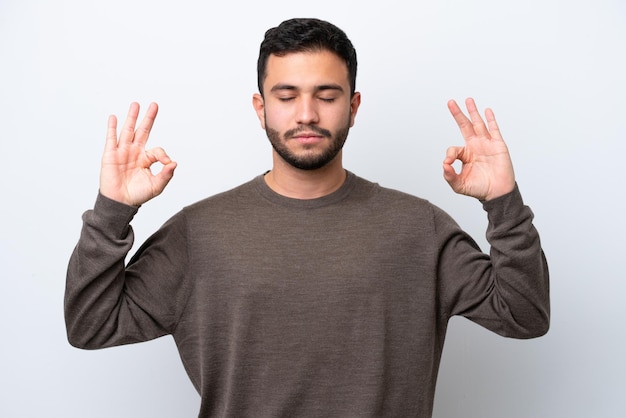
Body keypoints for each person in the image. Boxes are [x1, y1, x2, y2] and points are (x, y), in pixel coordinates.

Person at [65, 17, 550, 417]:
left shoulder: (418, 227)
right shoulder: (200, 233)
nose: (307, 114)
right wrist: (113, 211)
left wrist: (502, 201)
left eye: (327, 94)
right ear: (260, 108)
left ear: (353, 107)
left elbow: (525, 315)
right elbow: (90, 325)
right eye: (286, 95)